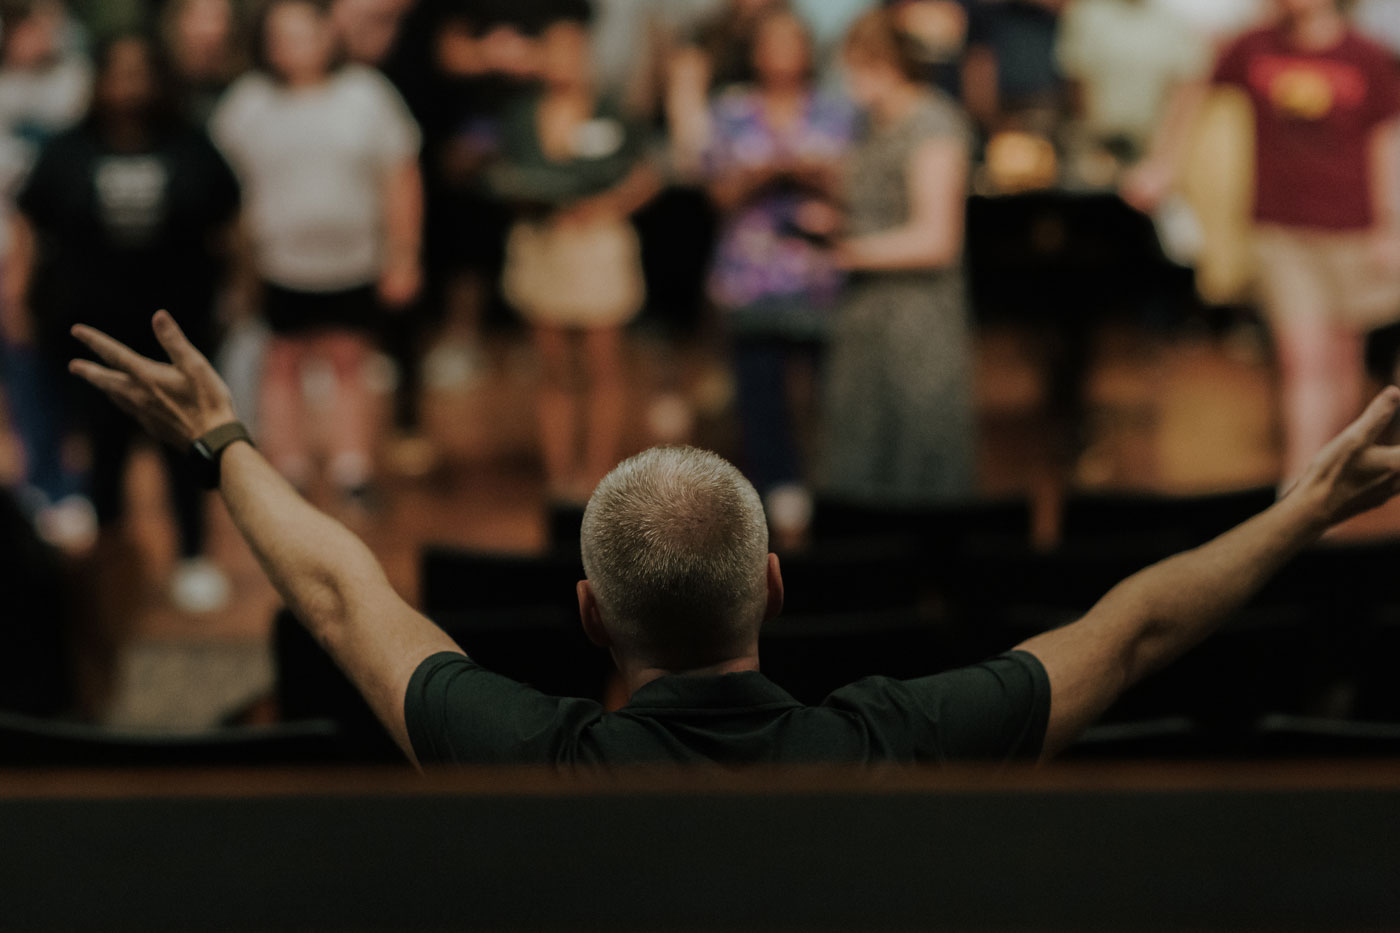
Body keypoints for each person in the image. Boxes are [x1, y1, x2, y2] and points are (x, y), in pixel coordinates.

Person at [69, 311, 1400, 767]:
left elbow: (341, 596)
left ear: (590, 616)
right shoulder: (903, 741)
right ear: (772, 582)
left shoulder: (533, 759)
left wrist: (222, 442)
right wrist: (1306, 507)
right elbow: (1140, 627)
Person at [1125, 0, 1400, 487]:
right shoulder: (1252, 46)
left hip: (1354, 230)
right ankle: (1298, 489)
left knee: (1341, 359)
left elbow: (1387, 141)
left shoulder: (1367, 56)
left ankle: (1333, 477)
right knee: (1301, 359)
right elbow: (1194, 90)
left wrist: (1391, 226)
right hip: (1280, 229)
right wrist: (1163, 164)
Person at [11, 33, 241, 610]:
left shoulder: (192, 146)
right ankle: (110, 565)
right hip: (92, 332)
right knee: (103, 454)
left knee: (187, 446)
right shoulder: (67, 150)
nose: (130, 87)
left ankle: (192, 556)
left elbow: (231, 224)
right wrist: (15, 298)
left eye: (142, 74)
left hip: (178, 333)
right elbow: (30, 227)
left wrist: (241, 295)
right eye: (119, 74)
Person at [209, 0, 423, 505]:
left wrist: (405, 254)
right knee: (282, 362)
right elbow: (219, 181)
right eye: (282, 36)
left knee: (351, 359)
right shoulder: (248, 102)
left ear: (329, 35)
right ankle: (290, 470)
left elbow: (400, 177)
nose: (294, 47)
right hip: (276, 264)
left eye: (305, 34)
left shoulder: (367, 94)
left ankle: (354, 469)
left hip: (354, 260)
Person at [489, 18, 659, 501]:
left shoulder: (614, 112)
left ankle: (599, 474)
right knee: (553, 366)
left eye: (574, 52)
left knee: (603, 365)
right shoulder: (521, 114)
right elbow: (505, 172)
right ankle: (560, 476)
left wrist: (606, 207)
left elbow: (647, 173)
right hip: (542, 241)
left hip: (597, 243)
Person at [704, 9, 856, 530]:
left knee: (829, 389)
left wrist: (815, 175)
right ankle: (774, 489)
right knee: (759, 389)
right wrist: (765, 173)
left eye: (791, 43)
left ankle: (831, 486)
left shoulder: (836, 112)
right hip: (751, 277)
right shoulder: (731, 111)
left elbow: (857, 187)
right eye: (771, 43)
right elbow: (718, 192)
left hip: (819, 272)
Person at [820, 8, 976, 504]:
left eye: (861, 66)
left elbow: (936, 239)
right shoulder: (868, 126)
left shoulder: (932, 123)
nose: (851, 80)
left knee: (919, 446)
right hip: (865, 314)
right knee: (861, 449)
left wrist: (847, 252)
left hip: (916, 316)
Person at [0, 0, 92, 549]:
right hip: (8, 248)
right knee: (22, 368)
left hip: (60, 255)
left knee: (58, 365)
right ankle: (37, 481)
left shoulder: (75, 85)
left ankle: (68, 482)